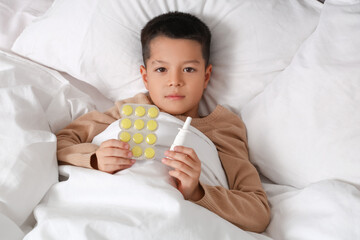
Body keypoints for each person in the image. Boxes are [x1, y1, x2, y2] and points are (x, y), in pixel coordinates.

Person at [56, 11, 270, 232]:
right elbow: (61, 143)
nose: (174, 81)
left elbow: (257, 213)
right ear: (145, 76)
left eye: (188, 69)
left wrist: (196, 191)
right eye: (161, 69)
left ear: (206, 77)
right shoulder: (128, 110)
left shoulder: (224, 127)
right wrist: (95, 159)